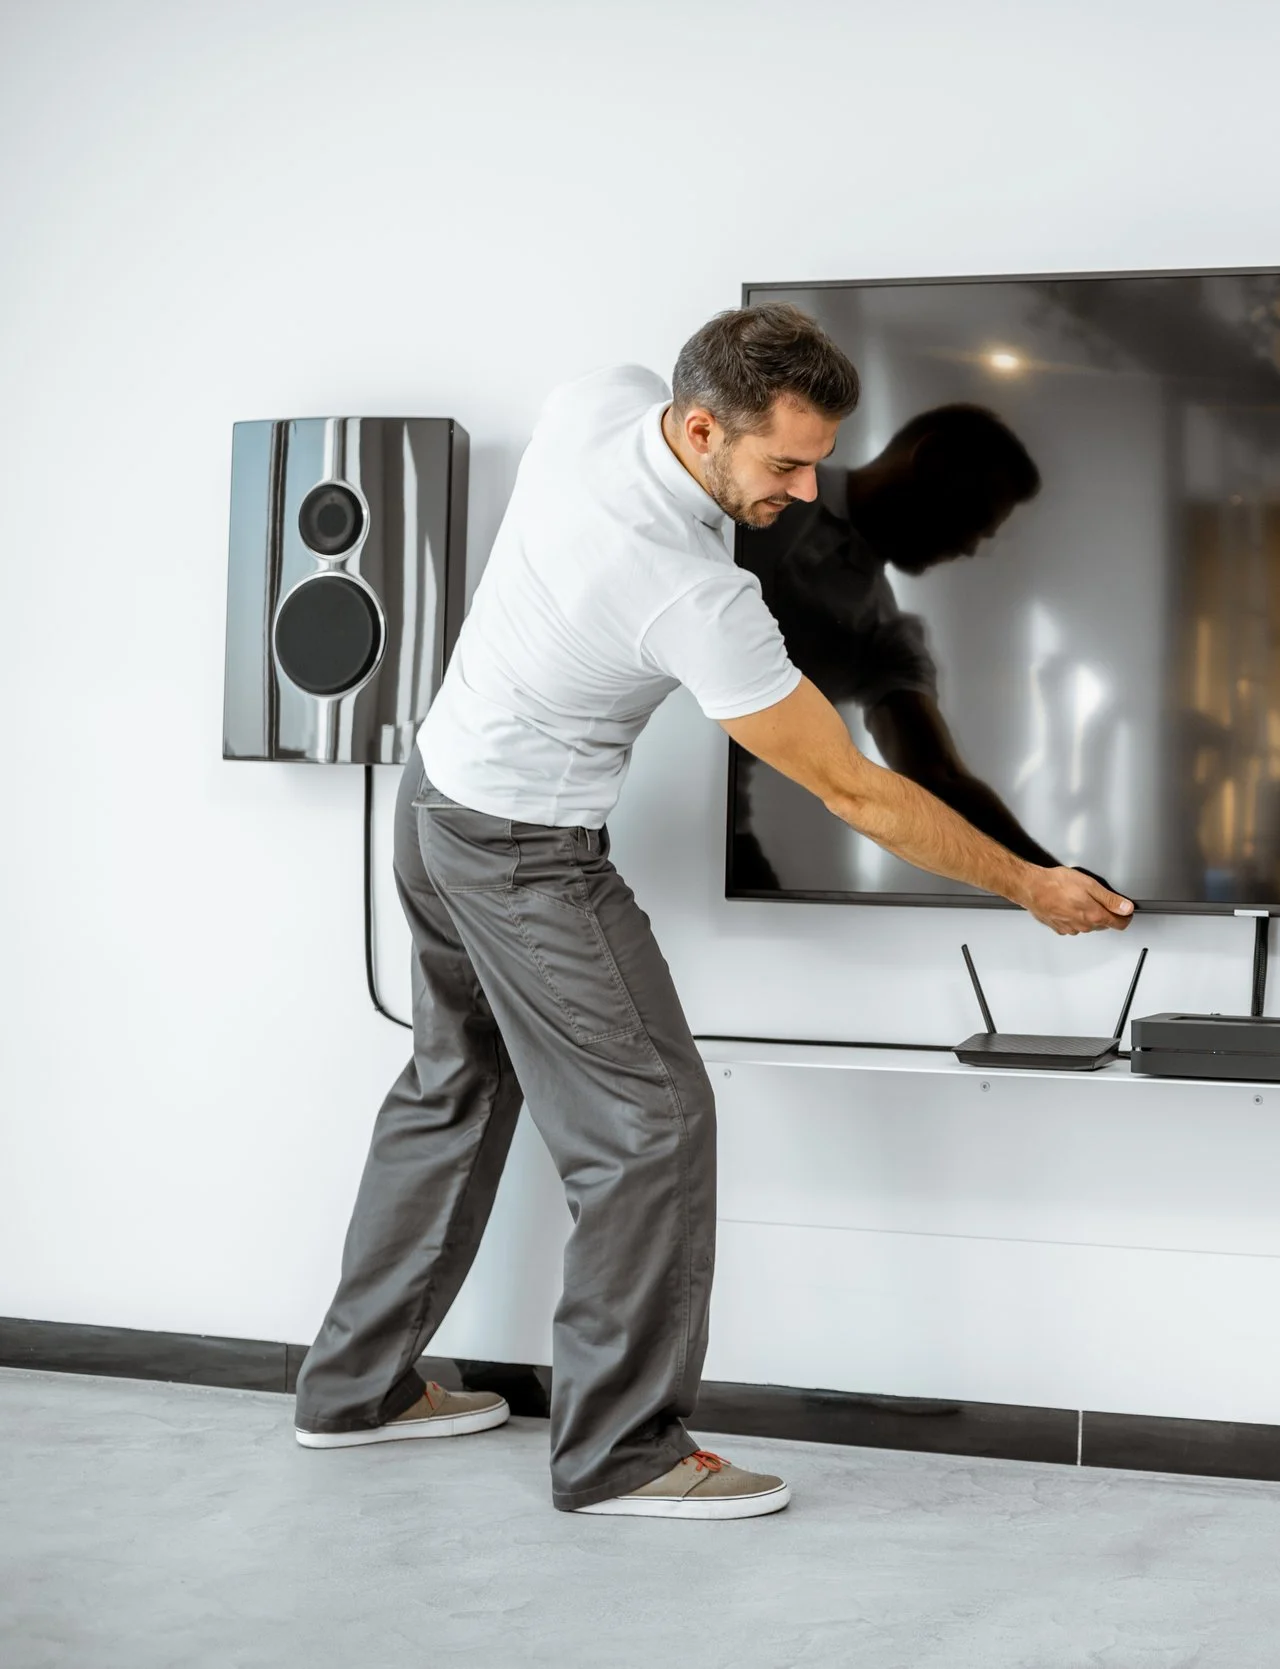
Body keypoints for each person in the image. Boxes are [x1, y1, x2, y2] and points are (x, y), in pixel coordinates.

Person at [290, 304, 1131, 1521]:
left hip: (438, 790)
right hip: (522, 845)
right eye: (782, 462)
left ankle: (354, 1389)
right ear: (696, 426)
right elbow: (854, 786)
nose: (802, 486)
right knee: (655, 1124)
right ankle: (623, 1454)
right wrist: (1030, 883)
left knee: (456, 1083)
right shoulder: (687, 588)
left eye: (819, 461)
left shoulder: (599, 401)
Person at [732, 404, 1060, 879]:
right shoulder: (760, 488)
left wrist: (1048, 877)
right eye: (975, 516)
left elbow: (939, 775)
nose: (970, 547)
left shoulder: (884, 637)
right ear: (931, 461)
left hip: (715, 840)